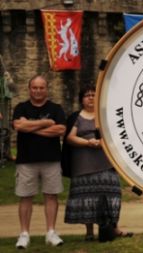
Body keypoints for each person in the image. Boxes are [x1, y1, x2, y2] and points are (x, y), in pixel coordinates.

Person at [63, 84, 132, 240]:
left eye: (94, 95)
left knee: (112, 196)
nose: (91, 98)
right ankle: (89, 233)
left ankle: (114, 229)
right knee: (87, 198)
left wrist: (102, 142)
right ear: (81, 100)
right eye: (87, 95)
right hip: (83, 164)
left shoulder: (105, 115)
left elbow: (116, 134)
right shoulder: (76, 117)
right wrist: (88, 143)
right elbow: (69, 138)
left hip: (105, 163)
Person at [12, 75, 66, 249]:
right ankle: (24, 234)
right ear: (29, 89)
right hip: (26, 160)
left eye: (41, 87)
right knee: (25, 197)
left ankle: (51, 232)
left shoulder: (56, 108)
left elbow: (60, 130)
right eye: (34, 87)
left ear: (46, 89)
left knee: (51, 195)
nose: (38, 90)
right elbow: (19, 126)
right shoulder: (21, 107)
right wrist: (45, 123)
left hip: (51, 159)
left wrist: (31, 127)